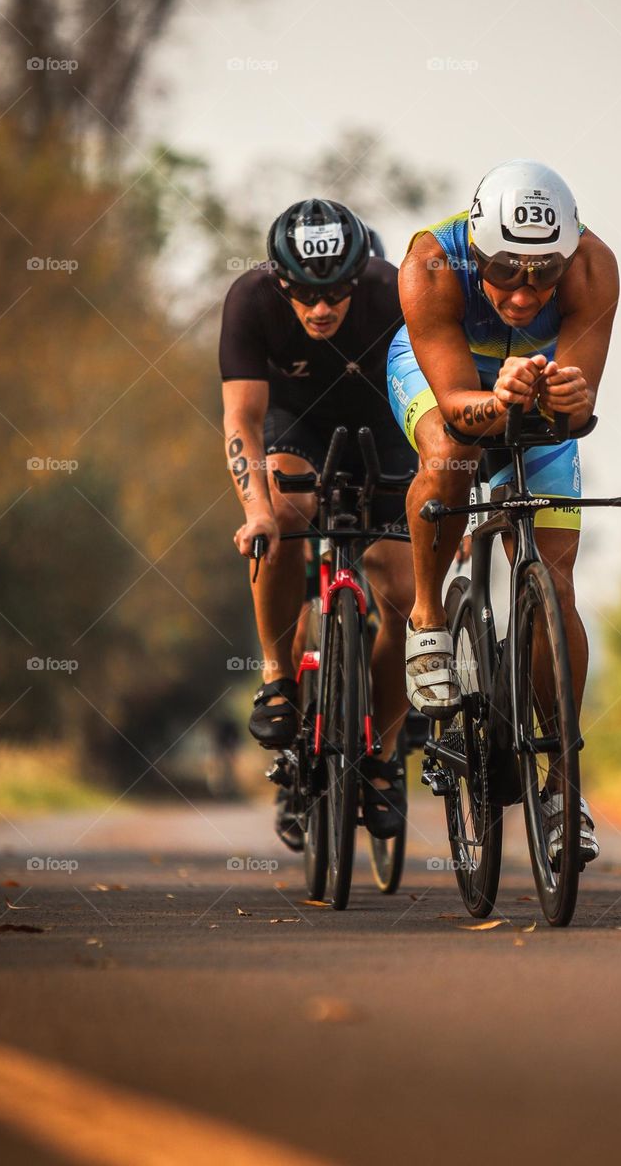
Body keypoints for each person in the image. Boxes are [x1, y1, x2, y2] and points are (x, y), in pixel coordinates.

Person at [387, 160, 619, 864]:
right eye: (504, 271)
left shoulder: (593, 267)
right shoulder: (431, 262)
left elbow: (578, 409)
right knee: (449, 458)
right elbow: (460, 410)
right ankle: (428, 620)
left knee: (558, 579)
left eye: (541, 275)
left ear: (567, 259)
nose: (523, 292)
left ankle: (561, 780)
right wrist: (503, 399)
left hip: (534, 383)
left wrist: (569, 402)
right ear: (476, 250)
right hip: (444, 379)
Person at [219, 198, 414, 845]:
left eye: (335, 292)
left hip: (388, 430)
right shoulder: (250, 300)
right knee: (282, 516)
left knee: (408, 595)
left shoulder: (396, 291)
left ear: (362, 276)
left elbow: (436, 389)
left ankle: (384, 757)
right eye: (305, 292)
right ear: (280, 282)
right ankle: (278, 680)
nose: (321, 307)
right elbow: (242, 422)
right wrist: (255, 513)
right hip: (297, 427)